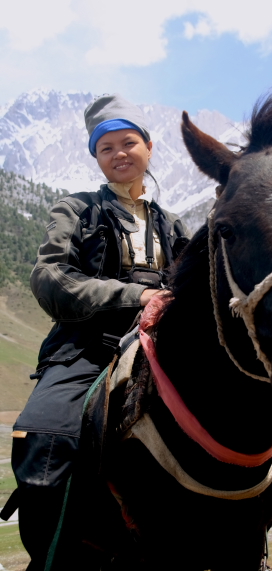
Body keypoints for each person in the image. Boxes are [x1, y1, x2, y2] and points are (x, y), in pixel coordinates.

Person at [7, 94, 191, 570]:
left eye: (128, 142)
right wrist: (135, 297)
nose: (119, 153)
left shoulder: (174, 225)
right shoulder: (77, 210)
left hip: (168, 349)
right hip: (86, 349)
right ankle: (51, 560)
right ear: (96, 157)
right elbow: (50, 279)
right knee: (44, 438)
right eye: (106, 147)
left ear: (149, 147)